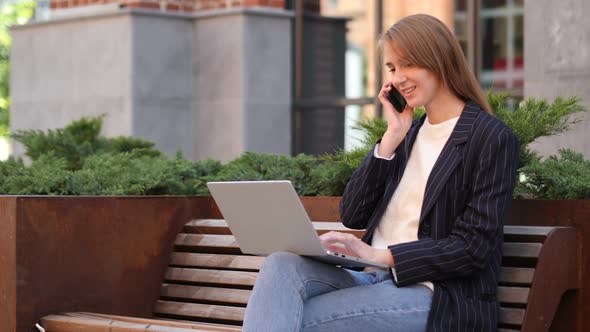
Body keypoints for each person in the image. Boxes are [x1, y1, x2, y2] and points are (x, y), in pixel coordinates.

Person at [242, 13, 519, 332]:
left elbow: (473, 248)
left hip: (435, 294)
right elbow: (353, 214)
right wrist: (390, 139)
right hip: (369, 277)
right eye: (392, 68)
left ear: (438, 60)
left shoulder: (490, 138)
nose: (398, 77)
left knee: (296, 317)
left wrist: (381, 254)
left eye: (407, 64)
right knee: (281, 265)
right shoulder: (407, 135)